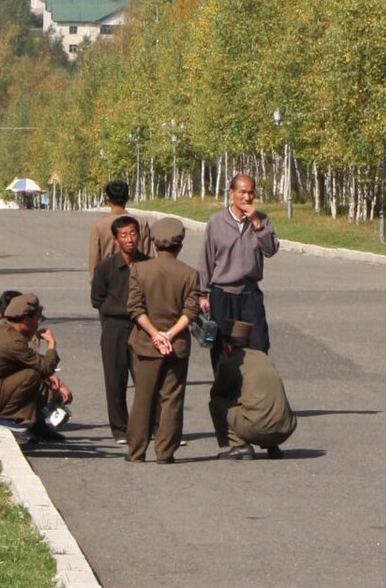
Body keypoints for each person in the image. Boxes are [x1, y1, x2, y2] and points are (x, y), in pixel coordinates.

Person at [125, 217, 200, 463]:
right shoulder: (189, 274)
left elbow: (135, 308)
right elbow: (191, 311)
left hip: (147, 344)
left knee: (143, 398)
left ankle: (136, 451)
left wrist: (155, 334)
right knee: (172, 398)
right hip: (176, 345)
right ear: (180, 245)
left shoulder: (140, 269)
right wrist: (169, 334)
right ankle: (165, 451)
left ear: (155, 245)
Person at [0, 292, 73, 446]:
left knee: (33, 374)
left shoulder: (5, 331)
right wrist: (51, 344)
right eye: (37, 319)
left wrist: (51, 380)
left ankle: (34, 424)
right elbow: (44, 367)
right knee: (30, 376)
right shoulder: (12, 341)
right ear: (26, 320)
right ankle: (4, 420)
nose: (38, 324)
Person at [199, 169, 279, 353]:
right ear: (231, 193)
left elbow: (270, 250)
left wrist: (257, 224)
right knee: (223, 349)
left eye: (251, 192)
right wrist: (202, 294)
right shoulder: (216, 222)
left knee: (259, 345)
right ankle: (225, 382)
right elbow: (206, 258)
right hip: (223, 294)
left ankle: (252, 381)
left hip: (250, 294)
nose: (246, 197)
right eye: (242, 192)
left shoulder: (262, 220)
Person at [89, 213, 144, 440]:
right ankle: (120, 429)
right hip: (114, 327)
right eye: (124, 235)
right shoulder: (105, 267)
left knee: (145, 379)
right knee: (115, 380)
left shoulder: (148, 264)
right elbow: (97, 299)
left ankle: (149, 425)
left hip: (141, 327)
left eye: (133, 233)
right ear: (116, 238)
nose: (129, 239)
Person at [210, 318, 297, 458]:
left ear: (227, 345)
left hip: (259, 429)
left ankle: (240, 446)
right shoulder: (263, 357)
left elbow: (217, 393)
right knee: (261, 399)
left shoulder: (232, 363)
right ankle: (272, 446)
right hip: (285, 428)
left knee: (217, 404)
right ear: (248, 342)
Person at [88, 178, 154, 276]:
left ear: (107, 199)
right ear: (127, 198)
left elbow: (94, 259)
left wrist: (96, 283)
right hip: (136, 278)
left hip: (109, 278)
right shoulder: (141, 223)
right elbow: (149, 254)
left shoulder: (99, 225)